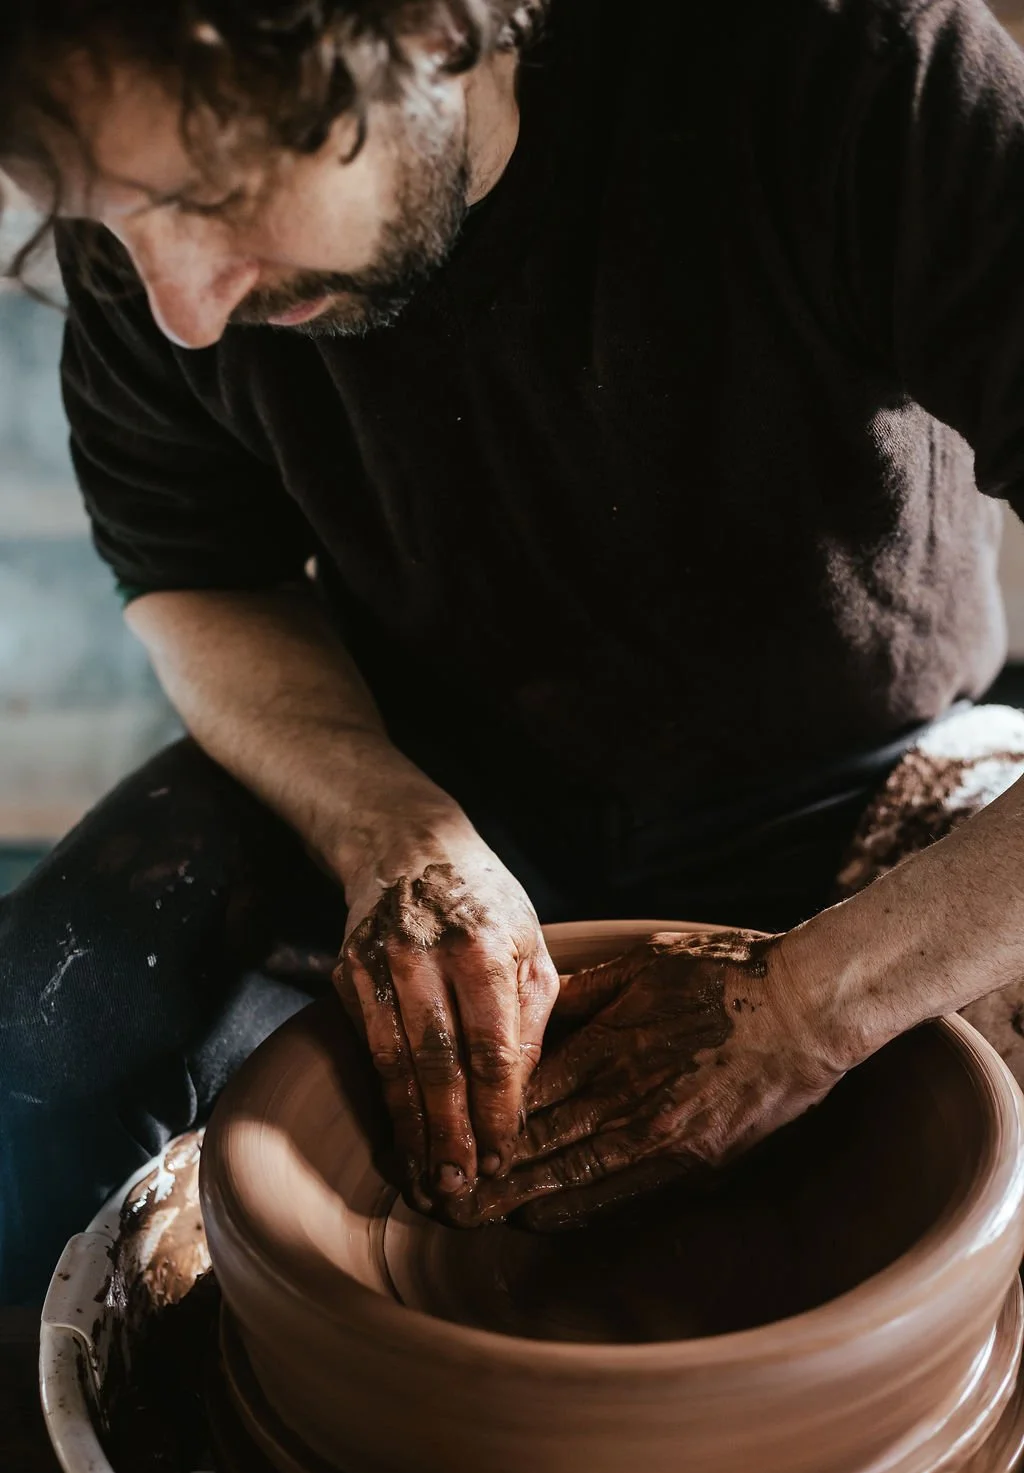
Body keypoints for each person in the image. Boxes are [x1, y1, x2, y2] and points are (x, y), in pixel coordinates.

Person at [4, 0, 1024, 1305]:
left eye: (219, 196)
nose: (182, 308)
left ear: (438, 27)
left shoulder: (852, 67)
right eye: (101, 217)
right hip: (420, 775)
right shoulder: (149, 249)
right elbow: (199, 577)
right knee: (34, 1056)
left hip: (868, 777)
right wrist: (392, 831)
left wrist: (821, 1007)